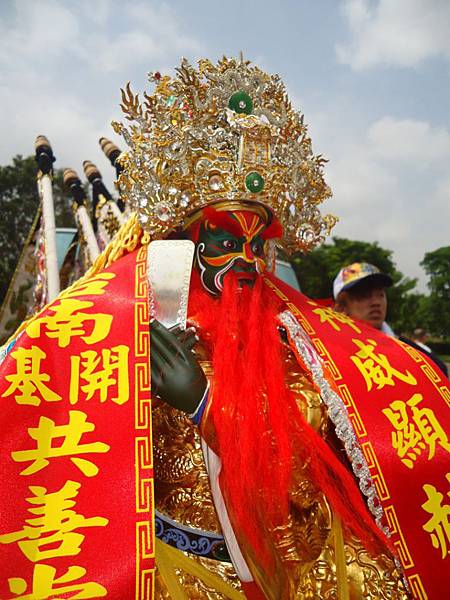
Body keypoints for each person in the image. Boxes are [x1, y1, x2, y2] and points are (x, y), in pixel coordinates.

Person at [1, 57, 448, 600]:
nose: (242, 260)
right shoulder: (120, 331)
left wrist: (205, 404)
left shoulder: (301, 346)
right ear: (181, 245)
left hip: (281, 568)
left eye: (256, 245)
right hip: (167, 568)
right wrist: (126, 393)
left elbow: (310, 493)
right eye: (222, 240)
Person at [333, 262, 448, 376]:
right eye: (364, 295)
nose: (376, 302)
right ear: (341, 306)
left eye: (381, 294)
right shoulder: (326, 357)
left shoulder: (416, 355)